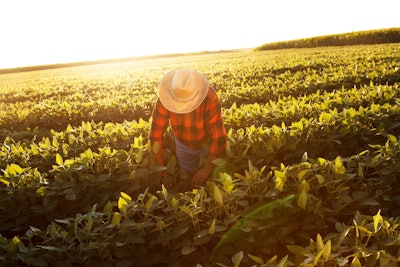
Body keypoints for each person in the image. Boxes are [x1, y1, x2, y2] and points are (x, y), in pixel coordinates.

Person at [149, 69, 227, 189]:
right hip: (183, 145)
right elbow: (155, 135)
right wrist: (160, 166)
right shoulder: (165, 97)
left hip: (207, 145)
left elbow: (218, 138)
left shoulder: (209, 97)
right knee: (189, 181)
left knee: (210, 183)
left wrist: (206, 170)